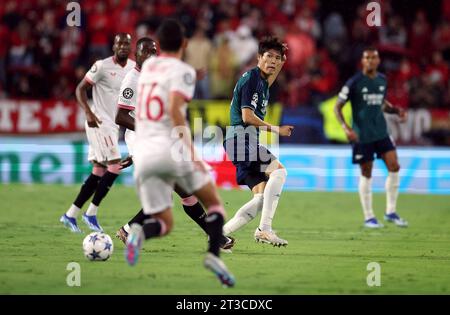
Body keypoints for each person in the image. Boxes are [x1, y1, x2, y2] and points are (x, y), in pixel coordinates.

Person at [126, 19, 235, 287]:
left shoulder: (148, 66)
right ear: (185, 44)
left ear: (159, 45)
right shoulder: (183, 71)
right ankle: (213, 255)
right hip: (170, 150)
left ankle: (137, 234)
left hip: (144, 152)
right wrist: (191, 152)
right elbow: (175, 110)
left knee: (164, 222)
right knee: (215, 204)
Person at [60, 33, 135, 233]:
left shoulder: (133, 69)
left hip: (114, 126)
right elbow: (80, 89)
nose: (123, 47)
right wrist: (88, 112)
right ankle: (91, 213)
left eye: (127, 43)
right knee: (115, 166)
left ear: (130, 47)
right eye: (120, 43)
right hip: (99, 122)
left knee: (98, 171)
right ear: (113, 46)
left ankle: (70, 214)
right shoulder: (101, 66)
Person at [222, 37, 293, 246]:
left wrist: (282, 63)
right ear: (258, 57)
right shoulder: (253, 79)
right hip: (241, 140)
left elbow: (271, 76)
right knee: (279, 172)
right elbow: (247, 117)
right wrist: (276, 129)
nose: (272, 61)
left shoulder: (261, 81)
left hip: (241, 142)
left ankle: (218, 236)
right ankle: (265, 229)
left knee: (260, 199)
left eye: (276, 58)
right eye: (268, 56)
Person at [334, 48, 408, 228]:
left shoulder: (382, 80)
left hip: (381, 132)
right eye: (367, 57)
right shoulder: (354, 82)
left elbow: (382, 103)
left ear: (378, 60)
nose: (370, 60)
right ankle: (369, 216)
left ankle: (391, 211)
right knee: (366, 173)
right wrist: (346, 128)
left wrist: (397, 110)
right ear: (362, 60)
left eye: (373, 57)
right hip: (362, 136)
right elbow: (337, 107)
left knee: (394, 165)